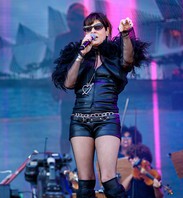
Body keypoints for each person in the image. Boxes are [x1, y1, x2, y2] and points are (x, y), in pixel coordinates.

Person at [52, 12, 149, 197]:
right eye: (88, 29)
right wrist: (81, 55)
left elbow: (128, 61)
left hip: (107, 120)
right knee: (85, 183)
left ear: (107, 31)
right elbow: (68, 83)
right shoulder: (79, 55)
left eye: (97, 27)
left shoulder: (114, 54)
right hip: (80, 121)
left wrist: (126, 34)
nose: (92, 31)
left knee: (109, 180)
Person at [53, 3, 87, 155]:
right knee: (66, 131)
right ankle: (65, 164)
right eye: (69, 19)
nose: (71, 22)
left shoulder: (92, 40)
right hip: (68, 95)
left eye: (75, 19)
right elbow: (55, 67)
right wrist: (55, 89)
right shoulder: (61, 40)